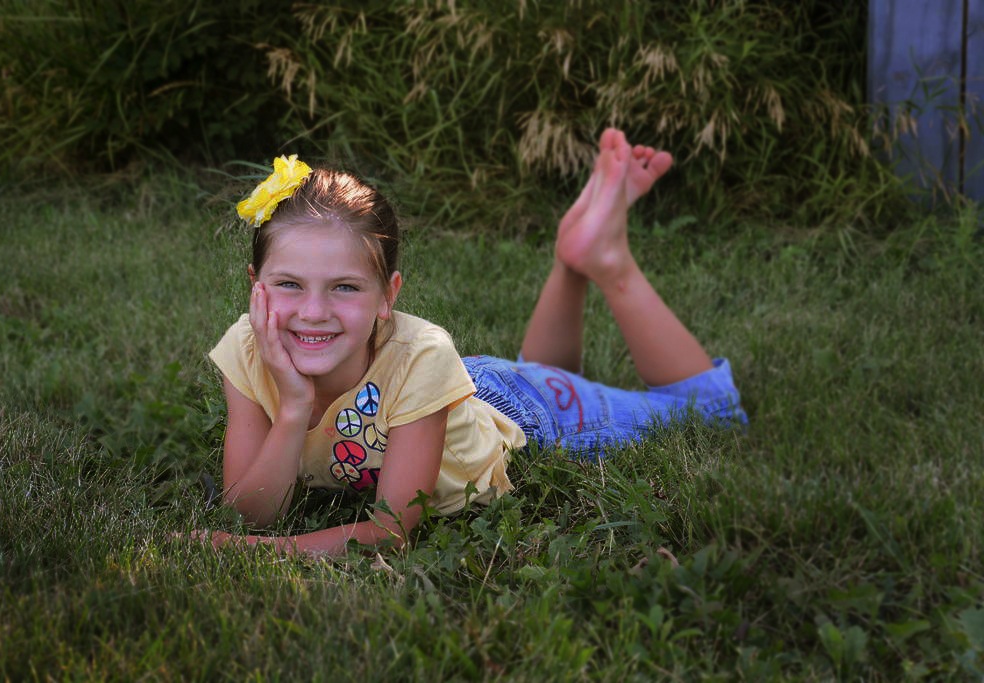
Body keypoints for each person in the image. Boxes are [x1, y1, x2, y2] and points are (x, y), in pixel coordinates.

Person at [195, 129, 746, 556]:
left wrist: (257, 552)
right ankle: (575, 258)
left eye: (344, 287)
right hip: (449, 391)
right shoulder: (248, 349)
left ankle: (609, 261)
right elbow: (249, 513)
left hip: (525, 410)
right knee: (542, 369)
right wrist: (294, 407)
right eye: (289, 284)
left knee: (714, 413)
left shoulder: (423, 354)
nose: (313, 312)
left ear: (388, 296)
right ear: (256, 286)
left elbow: (390, 531)